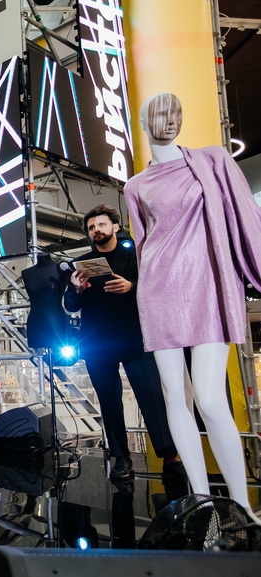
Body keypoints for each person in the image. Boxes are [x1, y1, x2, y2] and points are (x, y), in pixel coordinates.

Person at [124, 92, 261, 519]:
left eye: (175, 113)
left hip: (209, 285)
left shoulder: (213, 160)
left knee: (210, 397)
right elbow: (143, 245)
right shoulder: (135, 186)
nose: (169, 120)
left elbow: (245, 216)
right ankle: (201, 499)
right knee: (175, 397)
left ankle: (241, 504)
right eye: (159, 114)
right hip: (159, 290)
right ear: (144, 123)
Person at [64, 204, 181, 482]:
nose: (96, 230)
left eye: (101, 224)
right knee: (109, 402)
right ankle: (121, 457)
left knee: (152, 398)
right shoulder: (81, 264)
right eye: (92, 227)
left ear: (115, 226)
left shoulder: (138, 256)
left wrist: (132, 287)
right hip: (97, 343)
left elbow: (158, 292)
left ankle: (170, 457)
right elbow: (70, 305)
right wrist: (77, 290)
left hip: (135, 338)